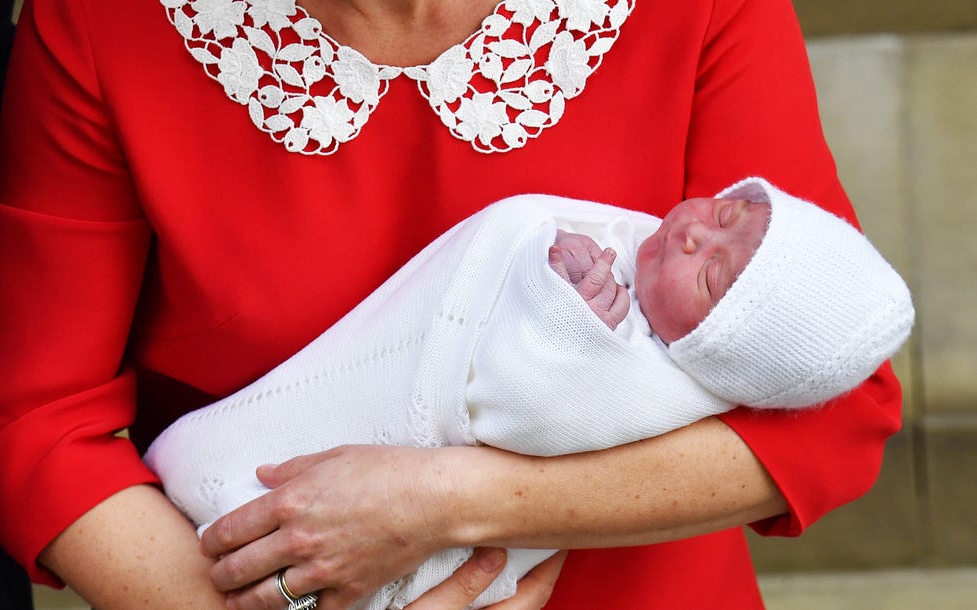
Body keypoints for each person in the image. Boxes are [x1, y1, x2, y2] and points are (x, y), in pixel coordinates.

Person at [0, 0, 909, 609]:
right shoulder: (104, 23)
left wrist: (448, 503)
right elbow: (35, 421)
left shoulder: (697, 10)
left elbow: (835, 406)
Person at [144, 178, 913, 610]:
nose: (692, 236)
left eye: (712, 275)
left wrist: (567, 318)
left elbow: (532, 410)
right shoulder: (637, 256)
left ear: (714, 352)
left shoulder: (664, 382)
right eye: (724, 214)